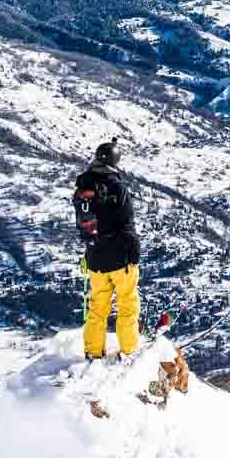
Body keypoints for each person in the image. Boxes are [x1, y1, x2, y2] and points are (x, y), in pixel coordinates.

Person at [74, 139, 142, 360]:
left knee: (97, 308)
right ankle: (130, 351)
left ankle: (93, 351)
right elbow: (127, 222)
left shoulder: (83, 188)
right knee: (127, 305)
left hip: (95, 257)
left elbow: (84, 223)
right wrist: (134, 251)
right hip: (120, 257)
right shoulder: (116, 186)